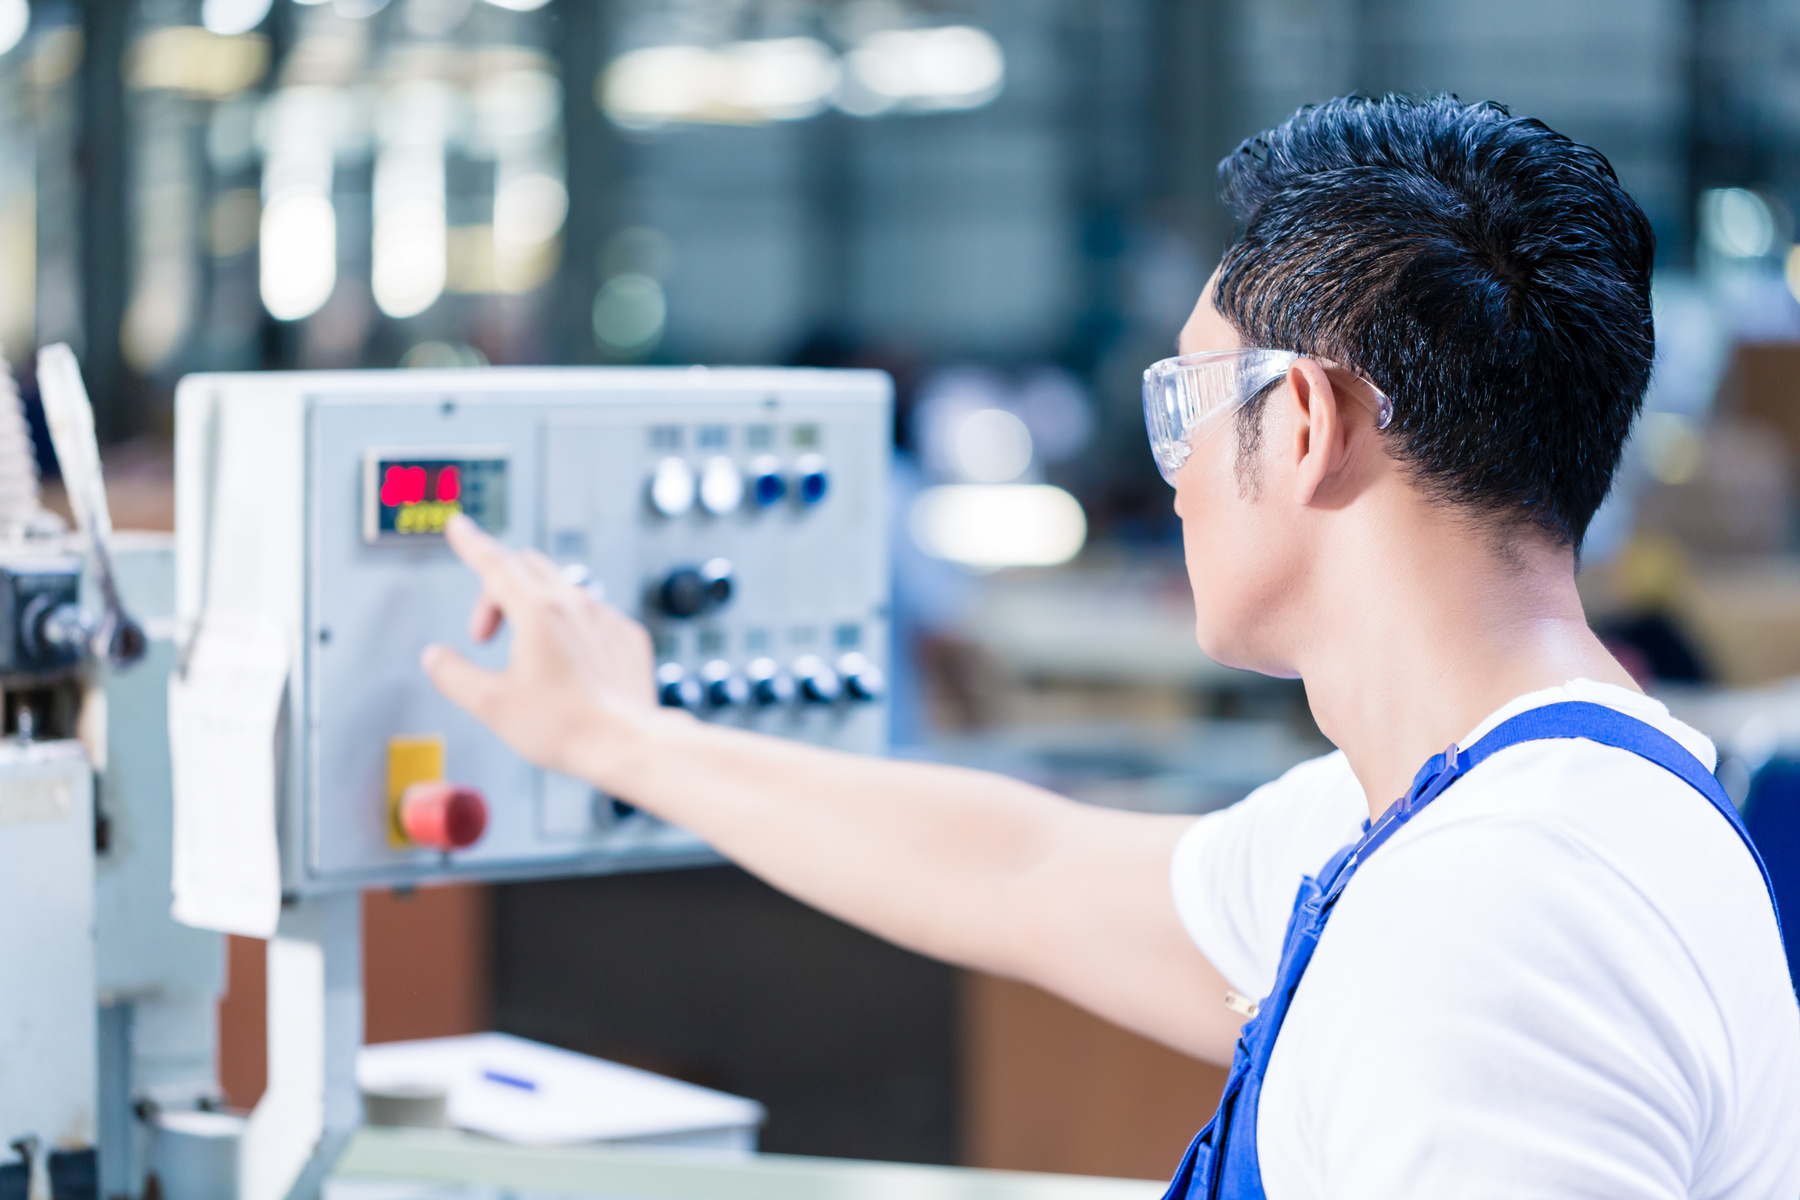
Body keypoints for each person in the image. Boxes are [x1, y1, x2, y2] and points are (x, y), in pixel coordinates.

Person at [421, 95, 1799, 1199]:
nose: (1181, 476)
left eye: (1185, 400)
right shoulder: (1446, 815)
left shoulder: (1492, 923)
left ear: (1305, 422)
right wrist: (616, 733)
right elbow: (1026, 868)